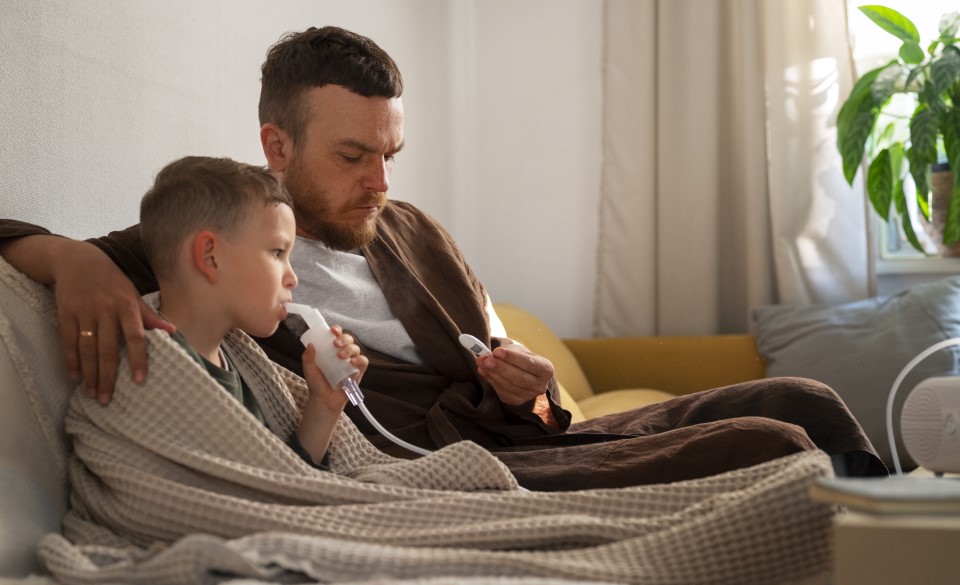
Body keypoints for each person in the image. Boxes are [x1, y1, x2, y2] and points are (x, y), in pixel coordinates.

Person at [0, 26, 886, 491]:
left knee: (802, 396)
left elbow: (530, 386)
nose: (380, 180)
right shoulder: (221, 243)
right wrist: (70, 258)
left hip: (537, 433)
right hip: (454, 467)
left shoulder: (414, 230)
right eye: (353, 158)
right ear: (277, 143)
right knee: (774, 442)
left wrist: (533, 383)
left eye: (391, 153)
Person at [127, 154, 368, 468]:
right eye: (278, 252)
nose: (292, 277)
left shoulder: (236, 361)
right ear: (210, 257)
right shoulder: (156, 370)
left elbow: (283, 479)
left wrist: (324, 407)